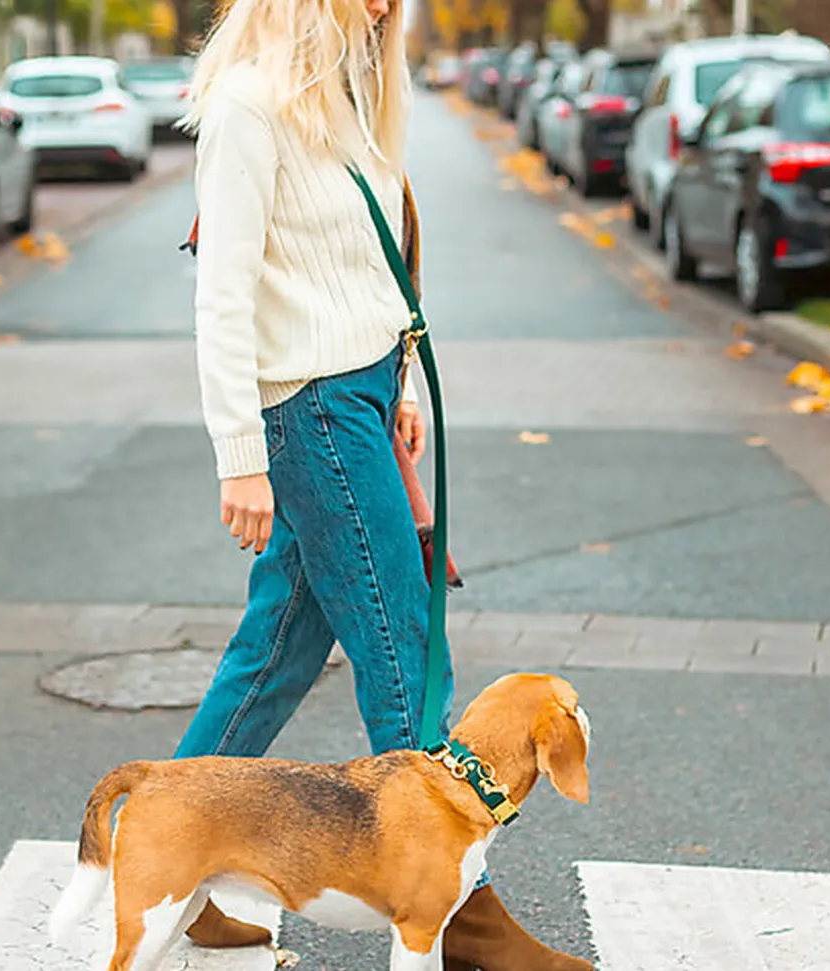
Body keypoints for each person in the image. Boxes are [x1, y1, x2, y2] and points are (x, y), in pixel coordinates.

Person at [174, 0, 594, 965]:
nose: (378, 7)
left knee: (276, 649)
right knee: (403, 645)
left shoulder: (348, 96)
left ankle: (174, 847)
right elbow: (224, 294)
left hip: (360, 392)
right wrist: (240, 453)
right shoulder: (248, 104)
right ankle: (464, 914)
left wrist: (398, 378)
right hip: (310, 408)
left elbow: (369, 264)